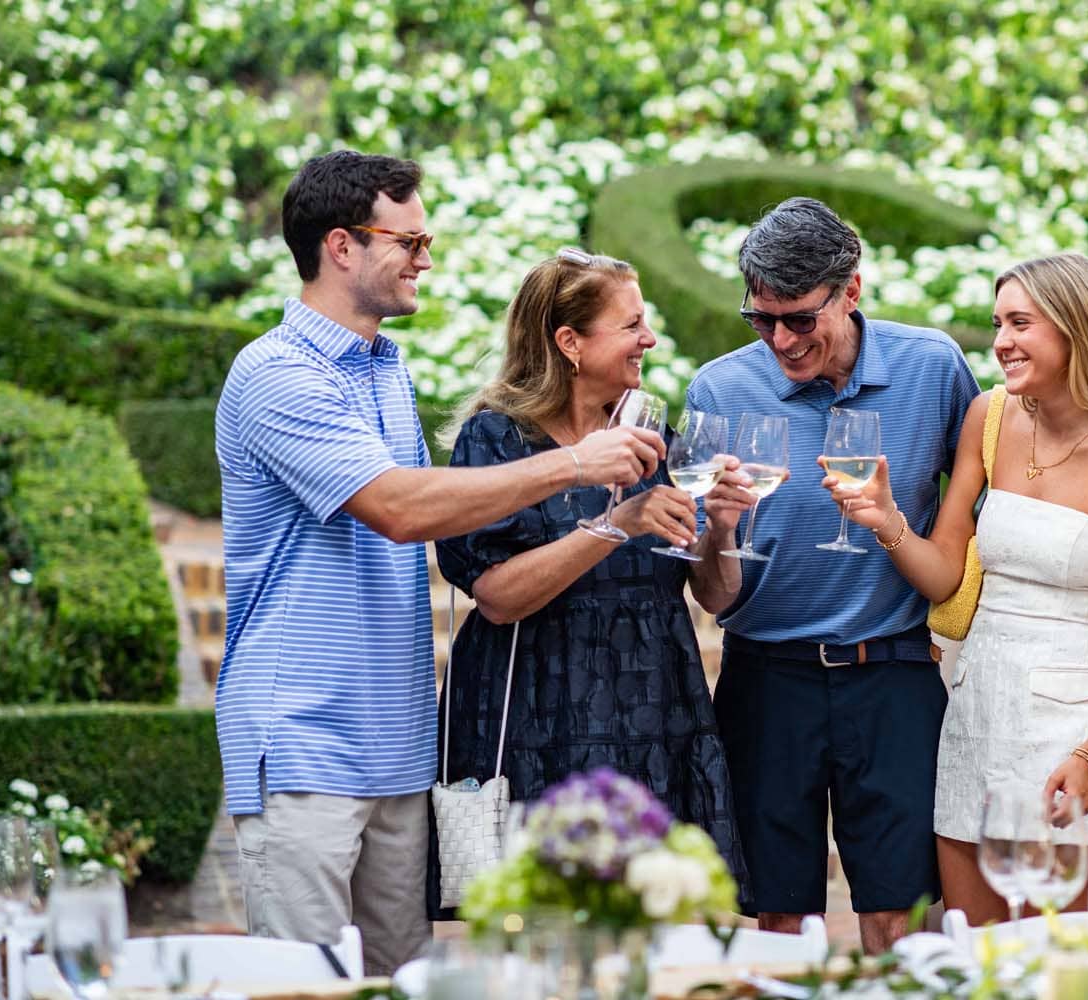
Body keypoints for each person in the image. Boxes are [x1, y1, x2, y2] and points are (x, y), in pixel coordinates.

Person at [214, 152, 663, 974]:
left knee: (406, 980)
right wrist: (574, 465)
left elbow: (446, 507)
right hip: (305, 740)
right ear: (341, 246)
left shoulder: (388, 370)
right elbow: (399, 509)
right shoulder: (276, 372)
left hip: (400, 744)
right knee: (305, 985)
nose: (425, 258)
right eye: (409, 241)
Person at [825, 252, 1088, 925]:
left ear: (1077, 327)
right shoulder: (989, 416)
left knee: (1060, 955)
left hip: (1075, 725)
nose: (1001, 342)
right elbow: (946, 575)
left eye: (1021, 323)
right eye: (998, 324)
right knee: (975, 950)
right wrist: (887, 522)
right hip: (977, 710)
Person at [684, 197, 982, 953]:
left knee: (901, 916)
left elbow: (992, 505)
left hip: (893, 674)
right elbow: (711, 594)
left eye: (799, 319)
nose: (781, 341)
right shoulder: (717, 392)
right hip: (764, 680)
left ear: (851, 289)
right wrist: (718, 531)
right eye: (761, 320)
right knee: (780, 922)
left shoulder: (933, 368)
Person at [432, 248, 751, 908]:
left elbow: (716, 595)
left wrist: (721, 529)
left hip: (653, 712)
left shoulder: (652, 435)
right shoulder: (497, 441)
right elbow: (497, 597)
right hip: (537, 713)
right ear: (569, 342)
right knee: (539, 925)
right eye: (631, 325)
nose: (650, 339)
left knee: (656, 921)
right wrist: (617, 524)